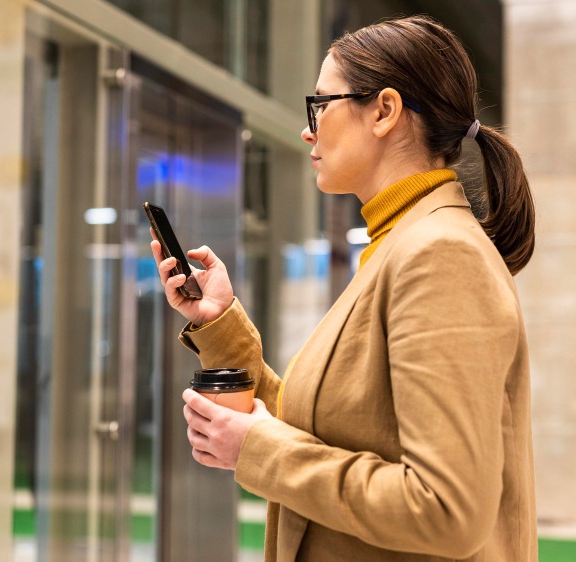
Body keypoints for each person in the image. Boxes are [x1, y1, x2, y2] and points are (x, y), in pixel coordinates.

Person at [150, 15, 536, 561]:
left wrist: (258, 449)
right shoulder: (399, 244)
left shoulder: (439, 255)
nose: (308, 130)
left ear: (384, 111)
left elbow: (448, 511)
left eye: (321, 105)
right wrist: (220, 322)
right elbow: (328, 429)